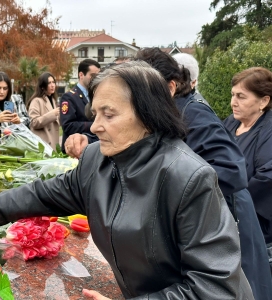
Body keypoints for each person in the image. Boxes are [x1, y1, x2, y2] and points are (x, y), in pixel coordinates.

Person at [0, 61, 253, 299]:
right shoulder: (97, 160)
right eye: (94, 114)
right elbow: (33, 196)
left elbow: (215, 289)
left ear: (148, 115)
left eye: (108, 115)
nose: (94, 126)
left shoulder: (190, 179)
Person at [65, 48, 272, 300]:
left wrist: (168, 191)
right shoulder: (161, 116)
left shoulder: (195, 113)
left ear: (170, 87)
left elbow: (231, 170)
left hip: (227, 223)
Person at [224, 67, 272, 244]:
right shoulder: (230, 123)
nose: (233, 102)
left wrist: (227, 202)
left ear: (263, 101)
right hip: (224, 219)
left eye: (241, 96)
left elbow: (267, 178)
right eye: (233, 95)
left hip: (254, 227)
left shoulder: (268, 130)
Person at [60, 59, 100, 152]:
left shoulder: (97, 95)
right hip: (75, 149)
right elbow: (68, 126)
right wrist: (94, 125)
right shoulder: (69, 97)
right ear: (81, 75)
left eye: (98, 75)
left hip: (93, 148)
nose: (96, 78)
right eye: (92, 75)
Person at [26, 72, 60, 150]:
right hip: (43, 144)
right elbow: (34, 122)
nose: (52, 85)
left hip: (53, 143)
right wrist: (52, 115)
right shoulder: (36, 101)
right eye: (49, 83)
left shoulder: (53, 100)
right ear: (42, 86)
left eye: (53, 82)